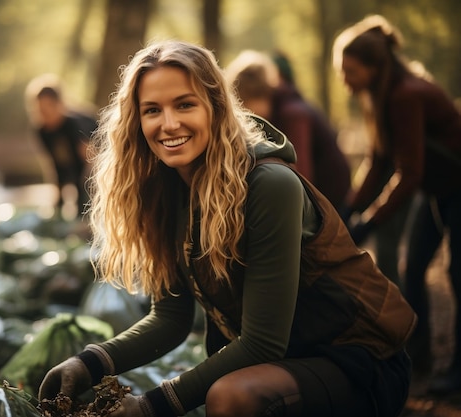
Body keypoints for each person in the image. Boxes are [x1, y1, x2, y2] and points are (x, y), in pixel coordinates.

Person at [38, 39, 416, 416]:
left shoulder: (269, 185)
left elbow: (263, 344)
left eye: (185, 104)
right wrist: (88, 364)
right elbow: (171, 317)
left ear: (215, 107)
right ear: (137, 121)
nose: (169, 124)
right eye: (152, 110)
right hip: (285, 363)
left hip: (357, 360)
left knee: (229, 397)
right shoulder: (167, 193)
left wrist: (153, 406)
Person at [332, 15, 461, 393]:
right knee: (413, 266)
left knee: (457, 275)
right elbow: (378, 160)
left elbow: (410, 172)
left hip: (456, 188)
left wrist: (369, 221)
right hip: (438, 191)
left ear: (373, 68)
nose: (344, 79)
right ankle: (417, 357)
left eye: (350, 71)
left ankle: (456, 372)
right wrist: (348, 207)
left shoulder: (406, 95)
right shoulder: (383, 96)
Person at [224, 49, 352, 211]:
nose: (246, 114)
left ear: (260, 93)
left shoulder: (293, 114)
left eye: (245, 103)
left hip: (329, 198)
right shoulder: (281, 109)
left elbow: (301, 172)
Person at [24, 73, 97, 216]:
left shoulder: (74, 125)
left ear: (59, 104)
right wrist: (58, 199)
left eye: (48, 108)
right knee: (58, 205)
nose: (45, 114)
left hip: (88, 163)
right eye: (40, 110)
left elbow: (91, 162)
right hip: (72, 164)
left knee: (83, 199)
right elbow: (55, 163)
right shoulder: (41, 130)